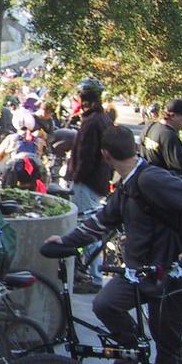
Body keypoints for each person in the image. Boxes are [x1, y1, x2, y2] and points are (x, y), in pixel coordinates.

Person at [46, 125, 182, 364]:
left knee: (167, 351)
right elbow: (103, 221)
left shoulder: (151, 179)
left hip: (172, 278)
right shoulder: (128, 185)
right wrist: (66, 241)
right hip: (140, 273)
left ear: (105, 154)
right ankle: (130, 350)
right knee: (105, 304)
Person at [68, 78, 114, 294]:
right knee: (89, 227)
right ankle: (89, 272)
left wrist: (76, 179)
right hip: (97, 182)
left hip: (87, 183)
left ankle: (94, 278)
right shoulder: (103, 119)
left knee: (88, 229)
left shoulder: (92, 122)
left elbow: (85, 157)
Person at [139, 98, 182, 176]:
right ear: (173, 115)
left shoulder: (150, 126)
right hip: (164, 180)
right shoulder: (169, 136)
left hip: (148, 177)